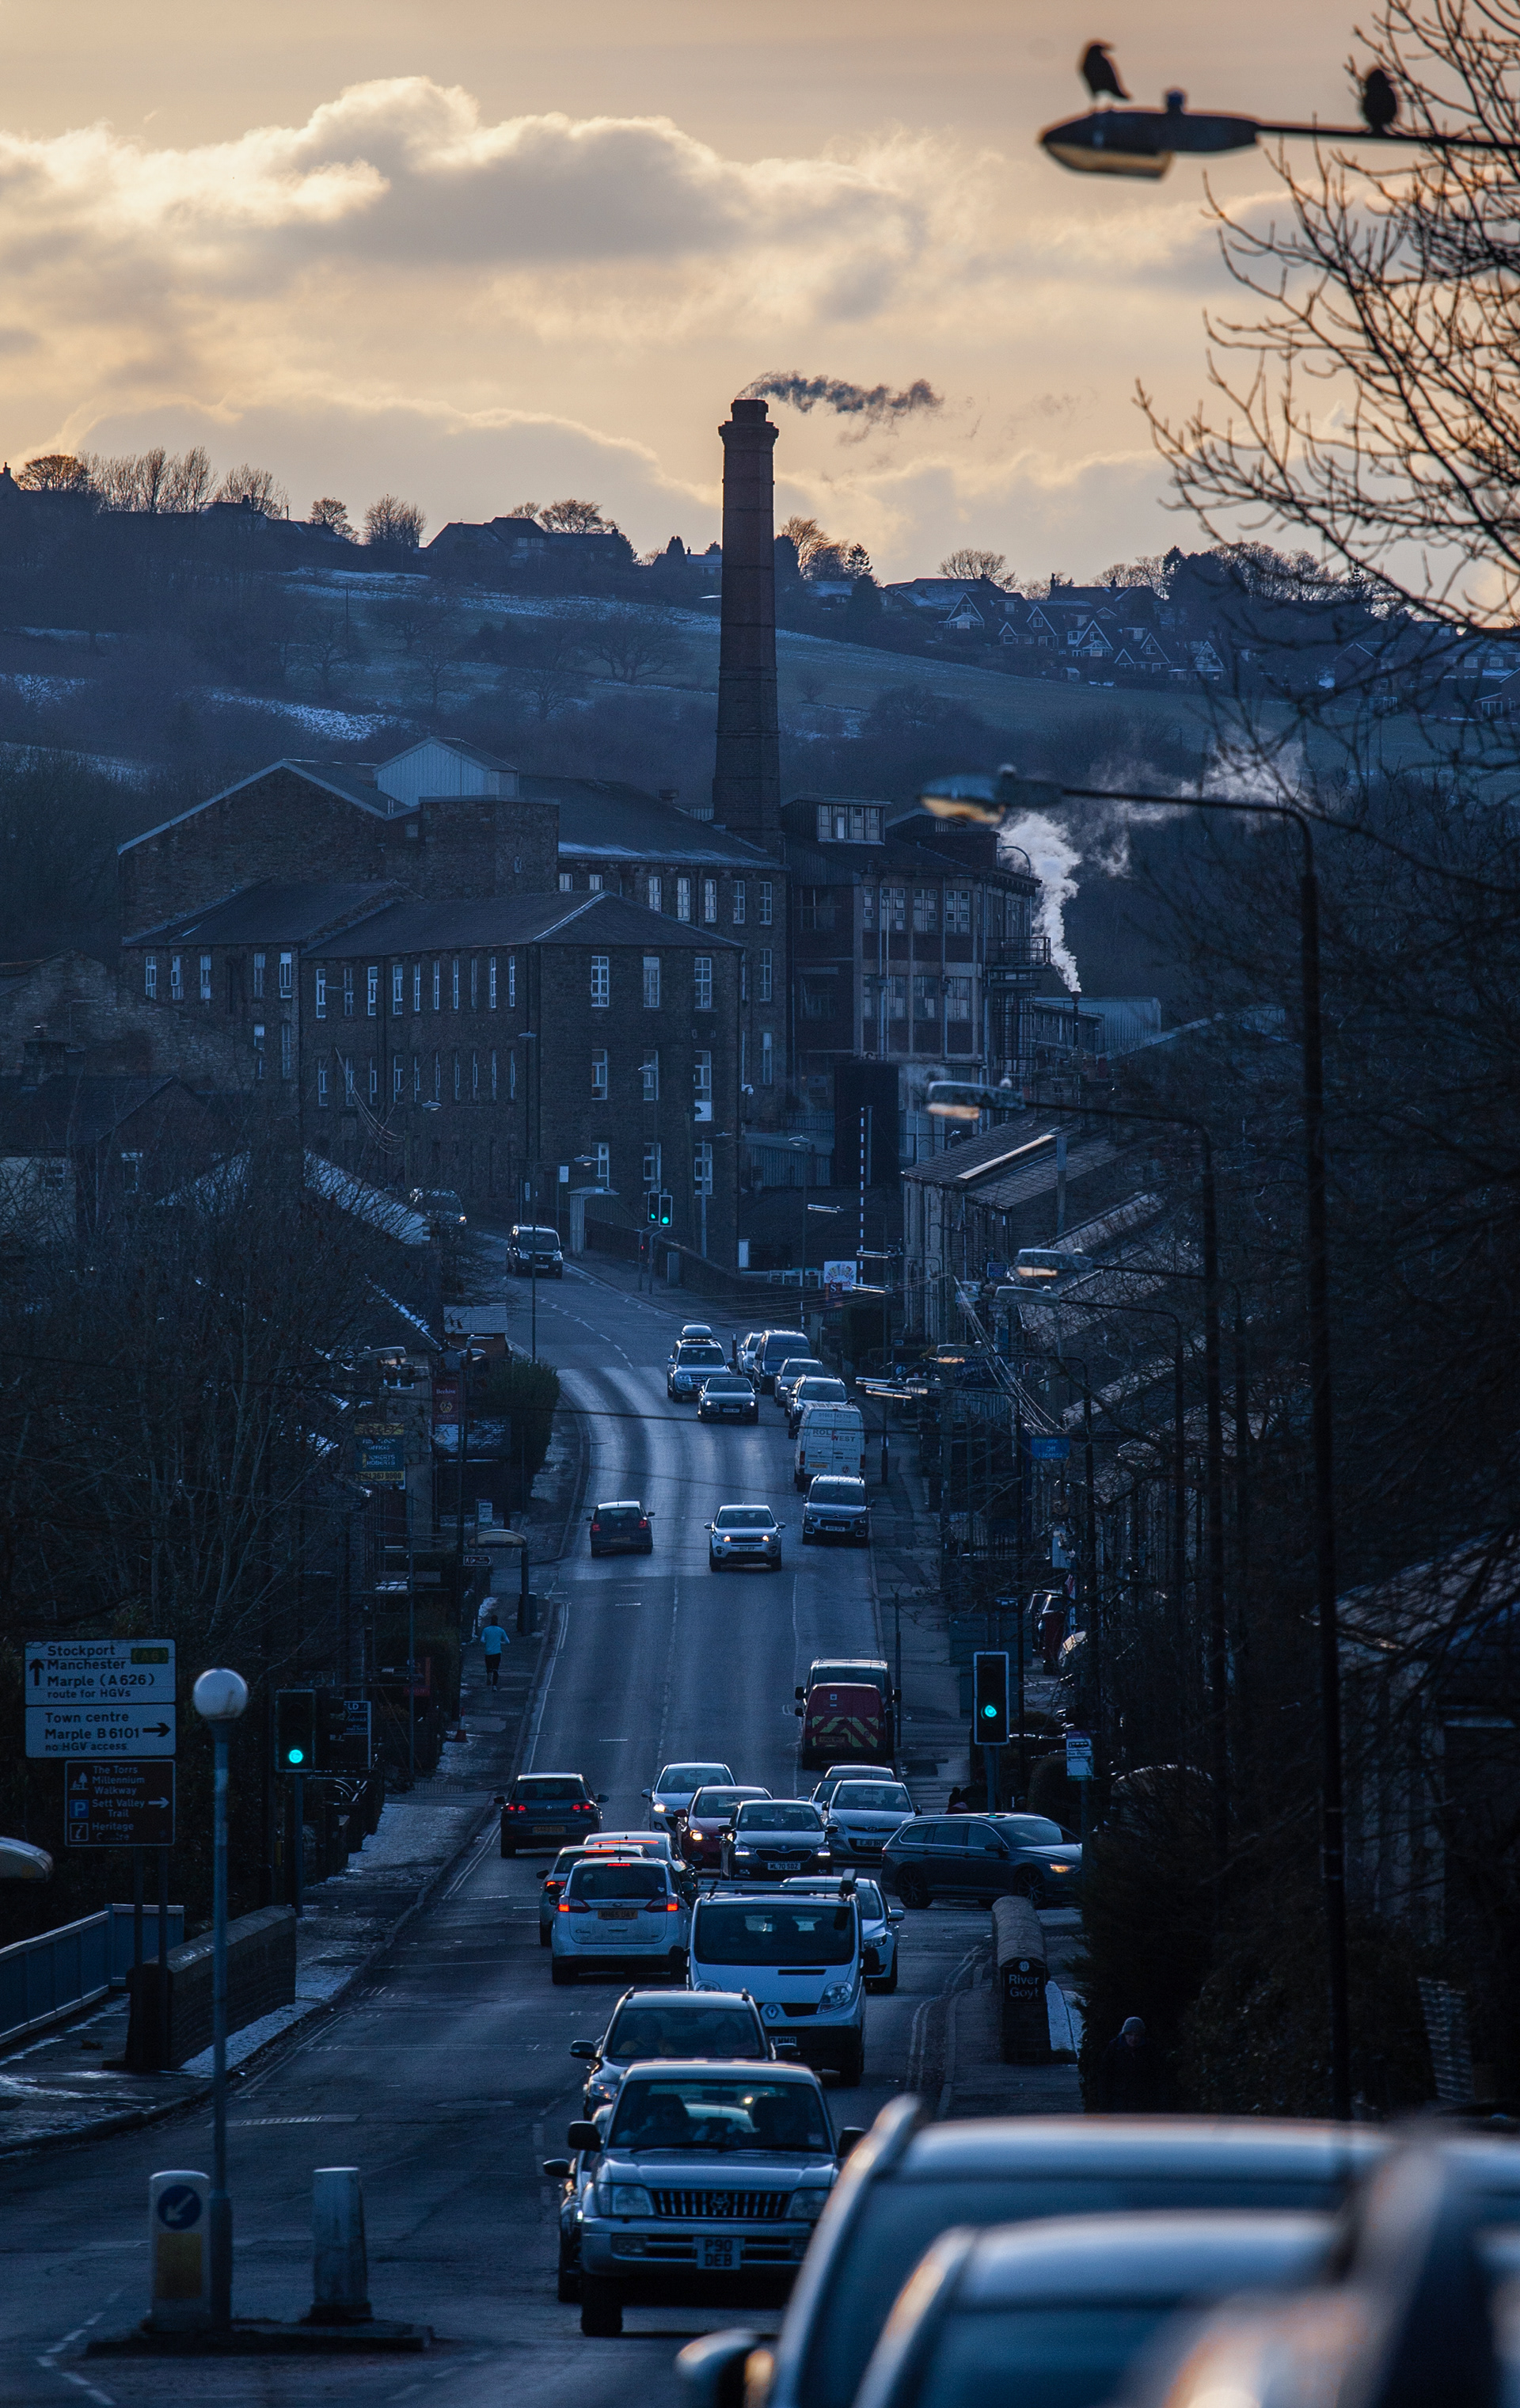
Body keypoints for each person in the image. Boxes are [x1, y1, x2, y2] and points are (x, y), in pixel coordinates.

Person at [1097, 2015, 1164, 2113]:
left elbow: (1158, 2075)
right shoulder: (1114, 2048)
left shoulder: (1150, 2048)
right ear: (1124, 2034)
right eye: (1130, 2035)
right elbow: (1105, 2076)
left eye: (1137, 2035)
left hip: (1144, 2101)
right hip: (1120, 2101)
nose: (1133, 2038)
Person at [481, 1611, 508, 1687]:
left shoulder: (486, 1630)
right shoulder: (501, 1630)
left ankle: (489, 1674)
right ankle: (494, 1685)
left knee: (489, 1667)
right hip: (497, 1652)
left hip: (488, 1652)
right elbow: (507, 1641)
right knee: (496, 1668)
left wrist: (487, 1642)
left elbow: (482, 1640)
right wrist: (500, 1642)